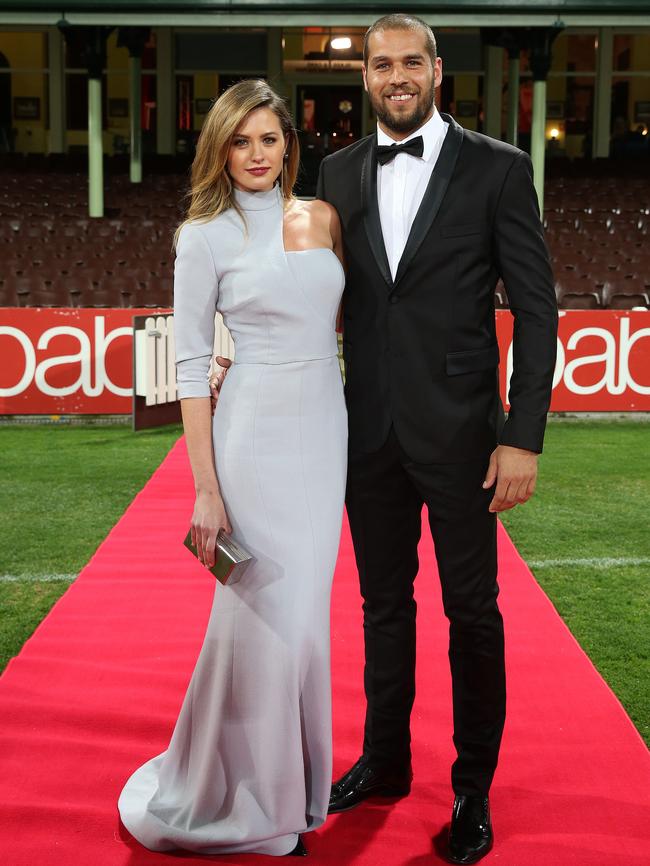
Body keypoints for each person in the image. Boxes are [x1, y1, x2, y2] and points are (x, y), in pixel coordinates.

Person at [316, 14, 558, 866]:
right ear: (367, 78)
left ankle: (473, 788)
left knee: (472, 614)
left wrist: (522, 437)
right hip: (367, 434)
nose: (396, 76)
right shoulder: (334, 172)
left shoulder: (499, 167)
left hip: (463, 439)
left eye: (410, 61)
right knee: (382, 608)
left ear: (437, 69)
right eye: (381, 65)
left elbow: (537, 308)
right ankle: (384, 763)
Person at [117, 79, 347, 858]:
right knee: (265, 619)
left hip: (327, 429)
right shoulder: (202, 235)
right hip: (253, 437)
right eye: (240, 141)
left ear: (291, 144)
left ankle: (295, 790)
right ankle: (250, 801)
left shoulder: (321, 218)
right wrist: (207, 491)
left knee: (307, 621)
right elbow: (187, 366)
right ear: (219, 148)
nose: (256, 155)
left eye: (270, 140)